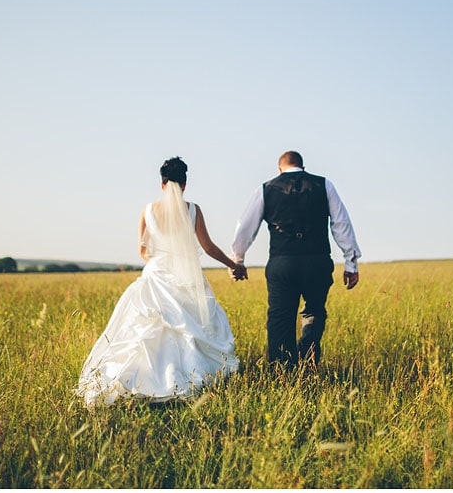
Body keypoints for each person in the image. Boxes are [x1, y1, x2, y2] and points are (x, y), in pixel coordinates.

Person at [76, 157, 244, 408]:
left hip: (156, 275)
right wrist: (235, 265)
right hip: (185, 276)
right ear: (185, 185)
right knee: (189, 329)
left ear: (162, 183)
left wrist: (161, 257)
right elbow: (208, 248)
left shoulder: (148, 210)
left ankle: (135, 379)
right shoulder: (193, 210)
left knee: (144, 331)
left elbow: (143, 251)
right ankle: (183, 378)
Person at [231, 150, 361, 367]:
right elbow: (341, 224)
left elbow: (245, 227)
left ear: (280, 169)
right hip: (317, 260)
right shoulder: (324, 185)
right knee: (314, 311)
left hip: (282, 262)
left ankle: (283, 370)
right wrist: (351, 262)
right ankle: (307, 358)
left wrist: (238, 259)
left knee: (280, 318)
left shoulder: (266, 188)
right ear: (302, 166)